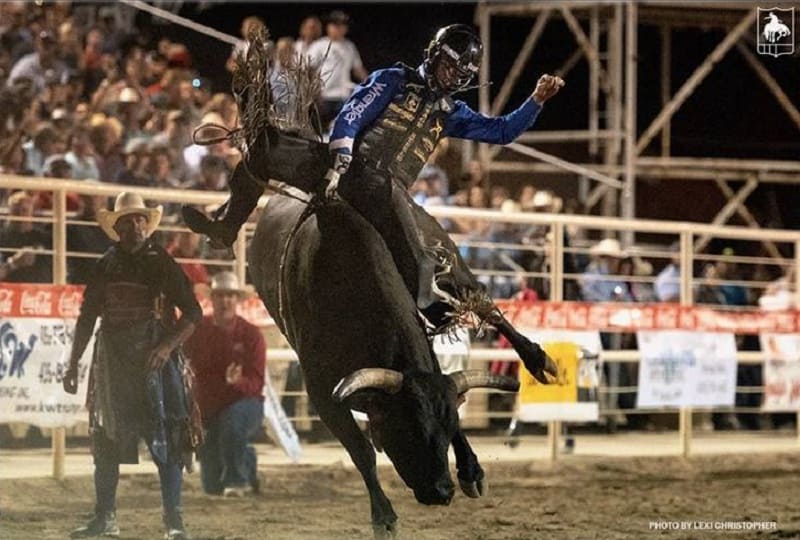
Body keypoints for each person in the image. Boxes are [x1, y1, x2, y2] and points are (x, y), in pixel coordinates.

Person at [183, 24, 564, 309]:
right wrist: (343, 151)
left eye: (458, 73)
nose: (451, 77)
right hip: (344, 165)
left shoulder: (452, 112)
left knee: (420, 256)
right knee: (263, 149)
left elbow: (501, 131)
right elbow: (352, 113)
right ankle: (227, 226)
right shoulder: (394, 79)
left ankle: (427, 308)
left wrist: (535, 100)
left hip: (389, 191)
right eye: (449, 66)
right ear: (434, 56)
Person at [62, 192, 203, 540]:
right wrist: (73, 362)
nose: (135, 226)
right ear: (119, 227)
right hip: (114, 362)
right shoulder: (105, 264)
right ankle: (105, 517)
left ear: (146, 224)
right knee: (106, 437)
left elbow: (193, 313)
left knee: (168, 437)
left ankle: (174, 521)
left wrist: (168, 346)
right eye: (128, 220)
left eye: (140, 219)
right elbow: (86, 317)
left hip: (155, 361)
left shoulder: (163, 261)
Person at [183, 271, 266, 497]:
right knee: (211, 485)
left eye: (230, 295)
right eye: (220, 295)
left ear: (237, 300)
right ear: (213, 298)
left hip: (244, 404)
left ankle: (237, 481)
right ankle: (246, 460)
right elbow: (186, 364)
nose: (225, 301)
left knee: (233, 421)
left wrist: (237, 382)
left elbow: (257, 383)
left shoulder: (252, 335)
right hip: (210, 407)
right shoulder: (198, 331)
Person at [306, 10, 368, 128]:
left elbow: (358, 69)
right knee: (319, 130)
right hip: (323, 96)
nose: (338, 29)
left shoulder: (349, 46)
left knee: (339, 129)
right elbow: (309, 69)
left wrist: (372, 83)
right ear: (328, 27)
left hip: (343, 97)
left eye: (342, 25)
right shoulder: (319, 45)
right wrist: (313, 91)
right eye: (335, 25)